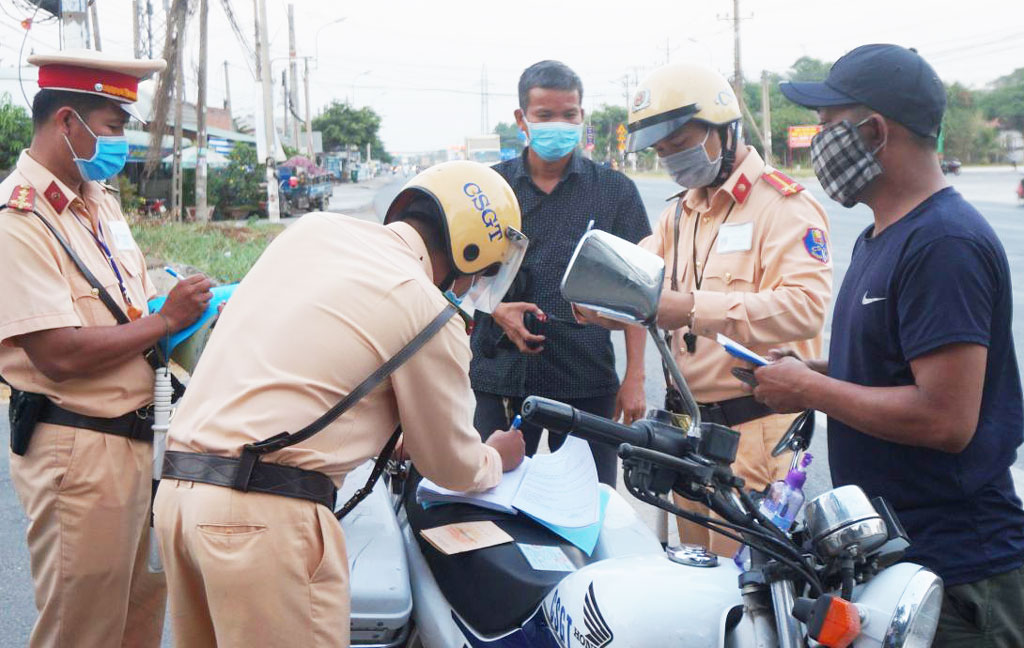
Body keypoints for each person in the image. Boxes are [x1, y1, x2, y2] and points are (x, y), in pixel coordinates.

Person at [154, 161, 528, 648]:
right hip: (259, 522)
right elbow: (451, 465)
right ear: (470, 254)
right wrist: (496, 456)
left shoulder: (312, 233)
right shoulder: (428, 309)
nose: (471, 287)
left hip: (180, 497)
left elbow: (301, 375)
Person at [753, 44, 1024, 646]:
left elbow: (946, 418)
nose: (818, 142)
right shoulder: (881, 237)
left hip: (959, 574)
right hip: (900, 560)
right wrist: (809, 370)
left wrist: (812, 389)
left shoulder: (943, 244)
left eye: (827, 127)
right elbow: (890, 366)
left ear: (874, 131)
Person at [0, 50, 213, 647]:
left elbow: (136, 309)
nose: (123, 142)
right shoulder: (18, 220)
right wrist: (165, 320)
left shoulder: (100, 202)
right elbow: (57, 354)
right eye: (114, 128)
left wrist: (191, 308)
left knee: (139, 619)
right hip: (79, 452)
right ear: (68, 122)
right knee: (82, 629)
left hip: (142, 440)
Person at [579, 62, 833, 555]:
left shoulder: (782, 206)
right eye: (661, 150)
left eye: (680, 143)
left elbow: (804, 309)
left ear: (725, 127)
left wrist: (691, 307)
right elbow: (639, 290)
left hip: (754, 433)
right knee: (696, 584)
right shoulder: (679, 212)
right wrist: (595, 304)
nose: (672, 158)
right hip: (687, 433)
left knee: (747, 596)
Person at [470, 60, 652, 487]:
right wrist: (494, 308)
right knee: (495, 495)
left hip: (588, 376)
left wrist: (636, 378)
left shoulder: (614, 191)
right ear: (522, 119)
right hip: (503, 377)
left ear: (581, 116)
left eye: (569, 115)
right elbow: (451, 280)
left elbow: (640, 293)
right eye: (545, 115)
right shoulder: (487, 189)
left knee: (591, 504)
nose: (559, 124)